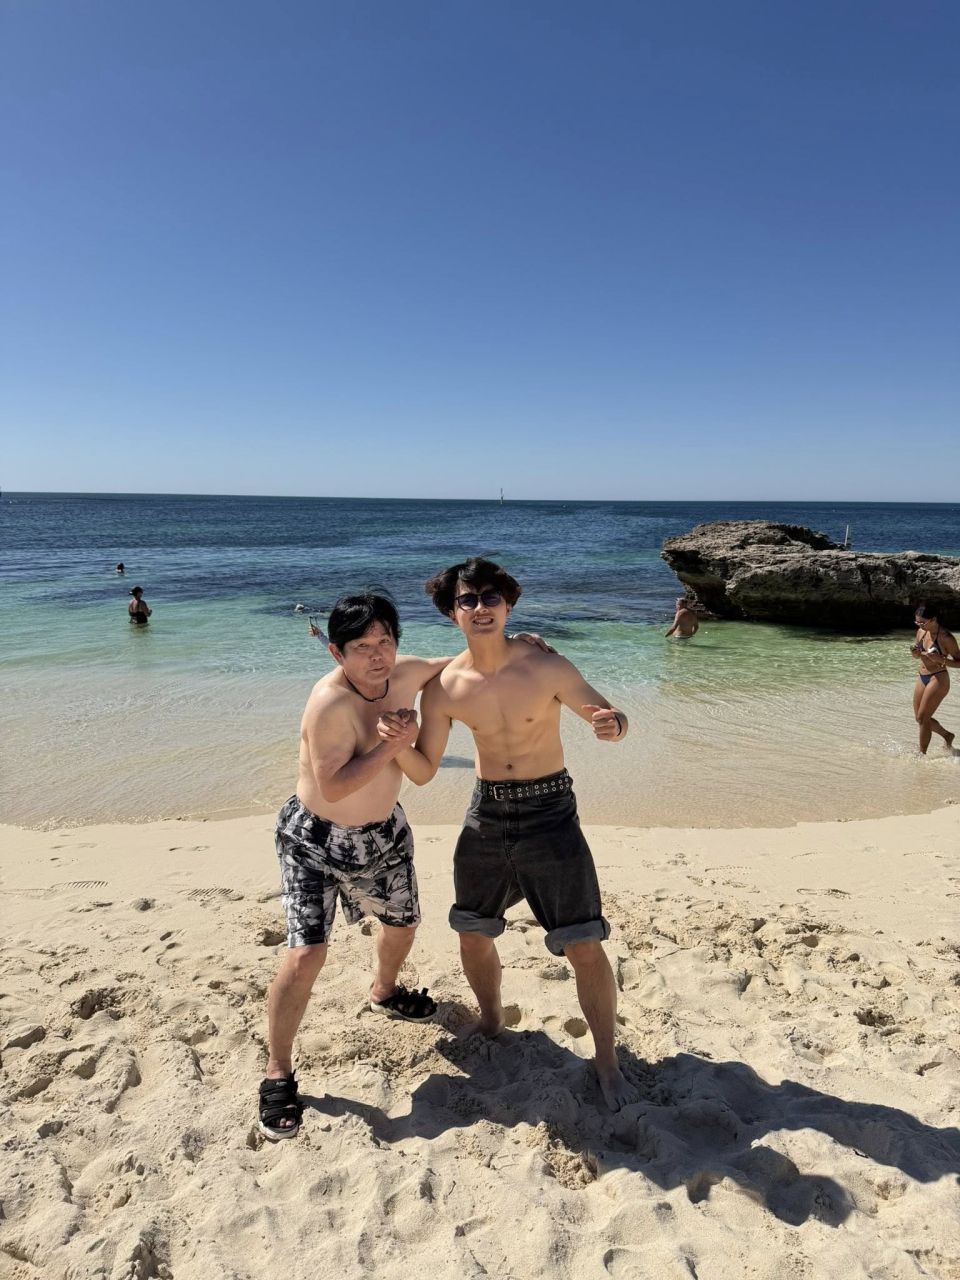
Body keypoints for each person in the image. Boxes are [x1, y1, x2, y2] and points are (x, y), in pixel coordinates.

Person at [260, 591, 549, 1140]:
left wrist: (516, 643)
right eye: (361, 647)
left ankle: (384, 990)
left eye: (385, 641)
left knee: (404, 924)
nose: (377, 656)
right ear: (337, 652)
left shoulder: (405, 673)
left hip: (383, 834)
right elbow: (334, 785)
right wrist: (395, 745)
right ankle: (277, 1071)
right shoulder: (328, 704)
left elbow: (465, 659)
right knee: (306, 955)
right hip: (314, 840)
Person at [381, 558, 638, 1112]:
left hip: (551, 813)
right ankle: (493, 1019)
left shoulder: (546, 666)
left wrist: (613, 724)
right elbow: (423, 771)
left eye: (490, 598)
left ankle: (607, 1060)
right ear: (452, 613)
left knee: (583, 942)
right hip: (488, 814)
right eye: (468, 600)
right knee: (472, 932)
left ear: (509, 604)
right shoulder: (444, 687)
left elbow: (610, 717)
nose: (480, 608)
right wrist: (396, 742)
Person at [910, 602, 958, 754]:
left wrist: (941, 660)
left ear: (934, 619)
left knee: (923, 718)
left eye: (923, 622)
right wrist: (915, 653)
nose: (919, 625)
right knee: (919, 718)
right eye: (917, 622)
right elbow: (918, 654)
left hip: (938, 678)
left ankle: (921, 754)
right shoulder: (921, 632)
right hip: (922, 676)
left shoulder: (946, 637)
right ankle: (947, 735)